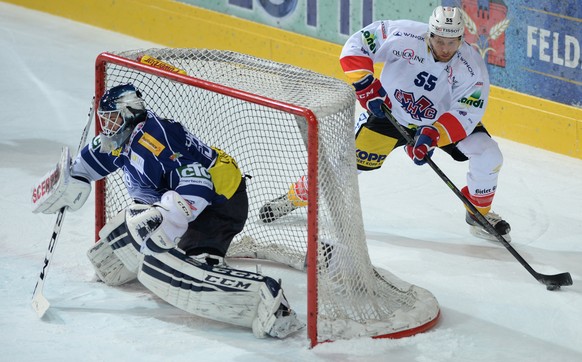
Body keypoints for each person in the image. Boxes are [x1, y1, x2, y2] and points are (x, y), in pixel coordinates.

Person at [33, 83, 304, 338]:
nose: (107, 126)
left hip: (220, 205)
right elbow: (87, 163)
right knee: (140, 229)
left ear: (129, 114)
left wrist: (166, 221)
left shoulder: (154, 140)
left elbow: (198, 184)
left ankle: (269, 304)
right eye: (104, 119)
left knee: (199, 262)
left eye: (112, 118)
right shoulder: (119, 137)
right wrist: (68, 181)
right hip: (182, 199)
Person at [259, 6, 511, 242]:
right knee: (342, 164)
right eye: (439, 41)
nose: (445, 48)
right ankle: (294, 197)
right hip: (390, 116)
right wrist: (364, 82)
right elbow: (357, 44)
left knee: (488, 154)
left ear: (461, 39)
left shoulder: (471, 66)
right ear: (429, 33)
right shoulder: (403, 34)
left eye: (451, 42)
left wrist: (434, 136)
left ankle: (478, 212)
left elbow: (467, 111)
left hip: (437, 123)